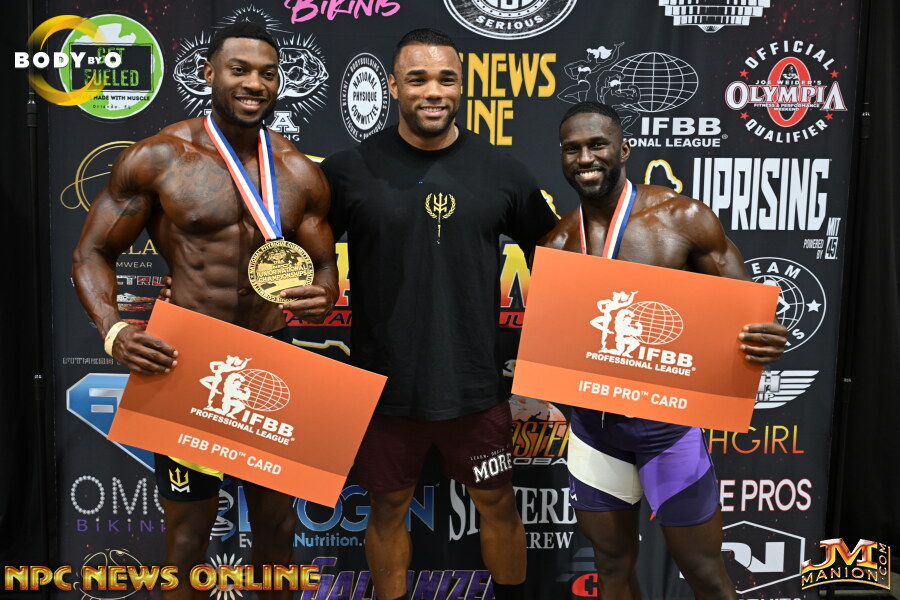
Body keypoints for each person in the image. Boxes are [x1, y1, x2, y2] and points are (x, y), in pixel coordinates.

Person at [71, 22, 338, 599]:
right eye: (239, 70)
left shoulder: (298, 170)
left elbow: (324, 266)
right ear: (208, 73)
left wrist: (325, 295)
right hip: (189, 363)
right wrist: (113, 328)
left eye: (267, 74)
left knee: (278, 535)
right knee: (188, 539)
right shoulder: (161, 158)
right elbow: (92, 252)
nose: (254, 84)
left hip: (273, 360)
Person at [320, 28, 559, 600]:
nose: (433, 91)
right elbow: (300, 256)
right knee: (387, 508)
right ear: (393, 86)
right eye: (418, 79)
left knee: (498, 504)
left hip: (474, 384)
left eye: (446, 79)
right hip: (384, 385)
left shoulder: (501, 170)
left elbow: (558, 261)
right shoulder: (349, 170)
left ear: (461, 86)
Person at [539, 101, 787, 600]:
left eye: (597, 145)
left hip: (666, 429)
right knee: (610, 567)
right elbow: (555, 346)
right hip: (594, 432)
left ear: (624, 150)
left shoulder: (681, 217)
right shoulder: (556, 245)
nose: (585, 158)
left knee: (705, 573)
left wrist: (765, 339)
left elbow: (748, 313)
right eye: (572, 149)